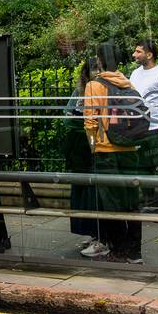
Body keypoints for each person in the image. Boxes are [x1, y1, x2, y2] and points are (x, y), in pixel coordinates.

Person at [83, 42, 144, 264]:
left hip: (106, 149)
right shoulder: (129, 84)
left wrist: (92, 145)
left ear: (99, 61)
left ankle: (118, 250)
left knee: (111, 202)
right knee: (131, 201)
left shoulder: (94, 85)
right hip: (129, 149)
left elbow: (90, 121)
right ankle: (134, 251)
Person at [65, 57, 104, 259]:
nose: (96, 74)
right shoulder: (79, 93)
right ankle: (90, 232)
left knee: (94, 191)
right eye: (92, 70)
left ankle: (100, 235)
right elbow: (68, 116)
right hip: (80, 148)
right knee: (81, 191)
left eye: (99, 70)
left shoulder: (102, 91)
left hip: (95, 146)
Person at [131, 37, 158, 211]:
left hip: (155, 128)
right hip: (138, 128)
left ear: (149, 55)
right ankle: (149, 203)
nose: (134, 54)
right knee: (142, 168)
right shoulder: (135, 73)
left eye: (138, 51)